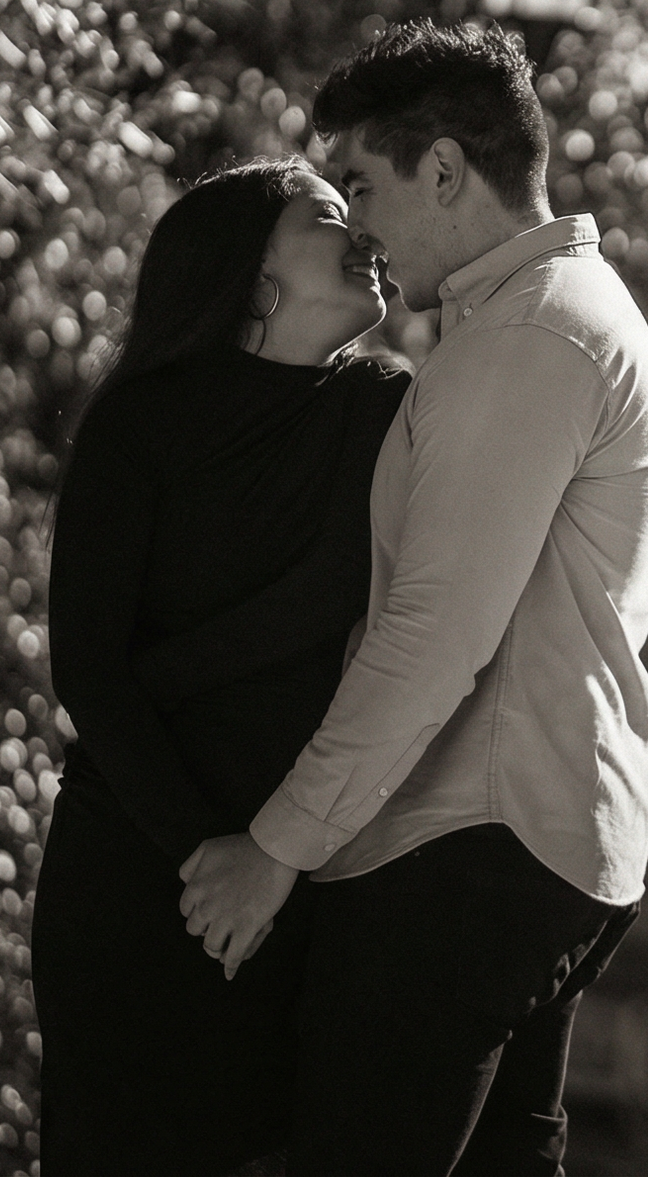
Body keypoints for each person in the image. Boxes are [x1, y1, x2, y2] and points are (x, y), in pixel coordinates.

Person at [177, 20, 648, 1177]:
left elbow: (433, 637)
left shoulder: (531, 336)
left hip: (473, 843)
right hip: (542, 840)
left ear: (444, 169)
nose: (351, 223)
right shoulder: (554, 316)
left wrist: (276, 846)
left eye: (360, 183)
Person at [30, 158, 409, 1174]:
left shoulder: (382, 409)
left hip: (291, 881)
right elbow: (89, 669)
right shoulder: (138, 422)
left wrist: (266, 865)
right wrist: (212, 864)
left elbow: (351, 603)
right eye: (327, 216)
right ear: (248, 271)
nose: (362, 230)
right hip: (135, 871)